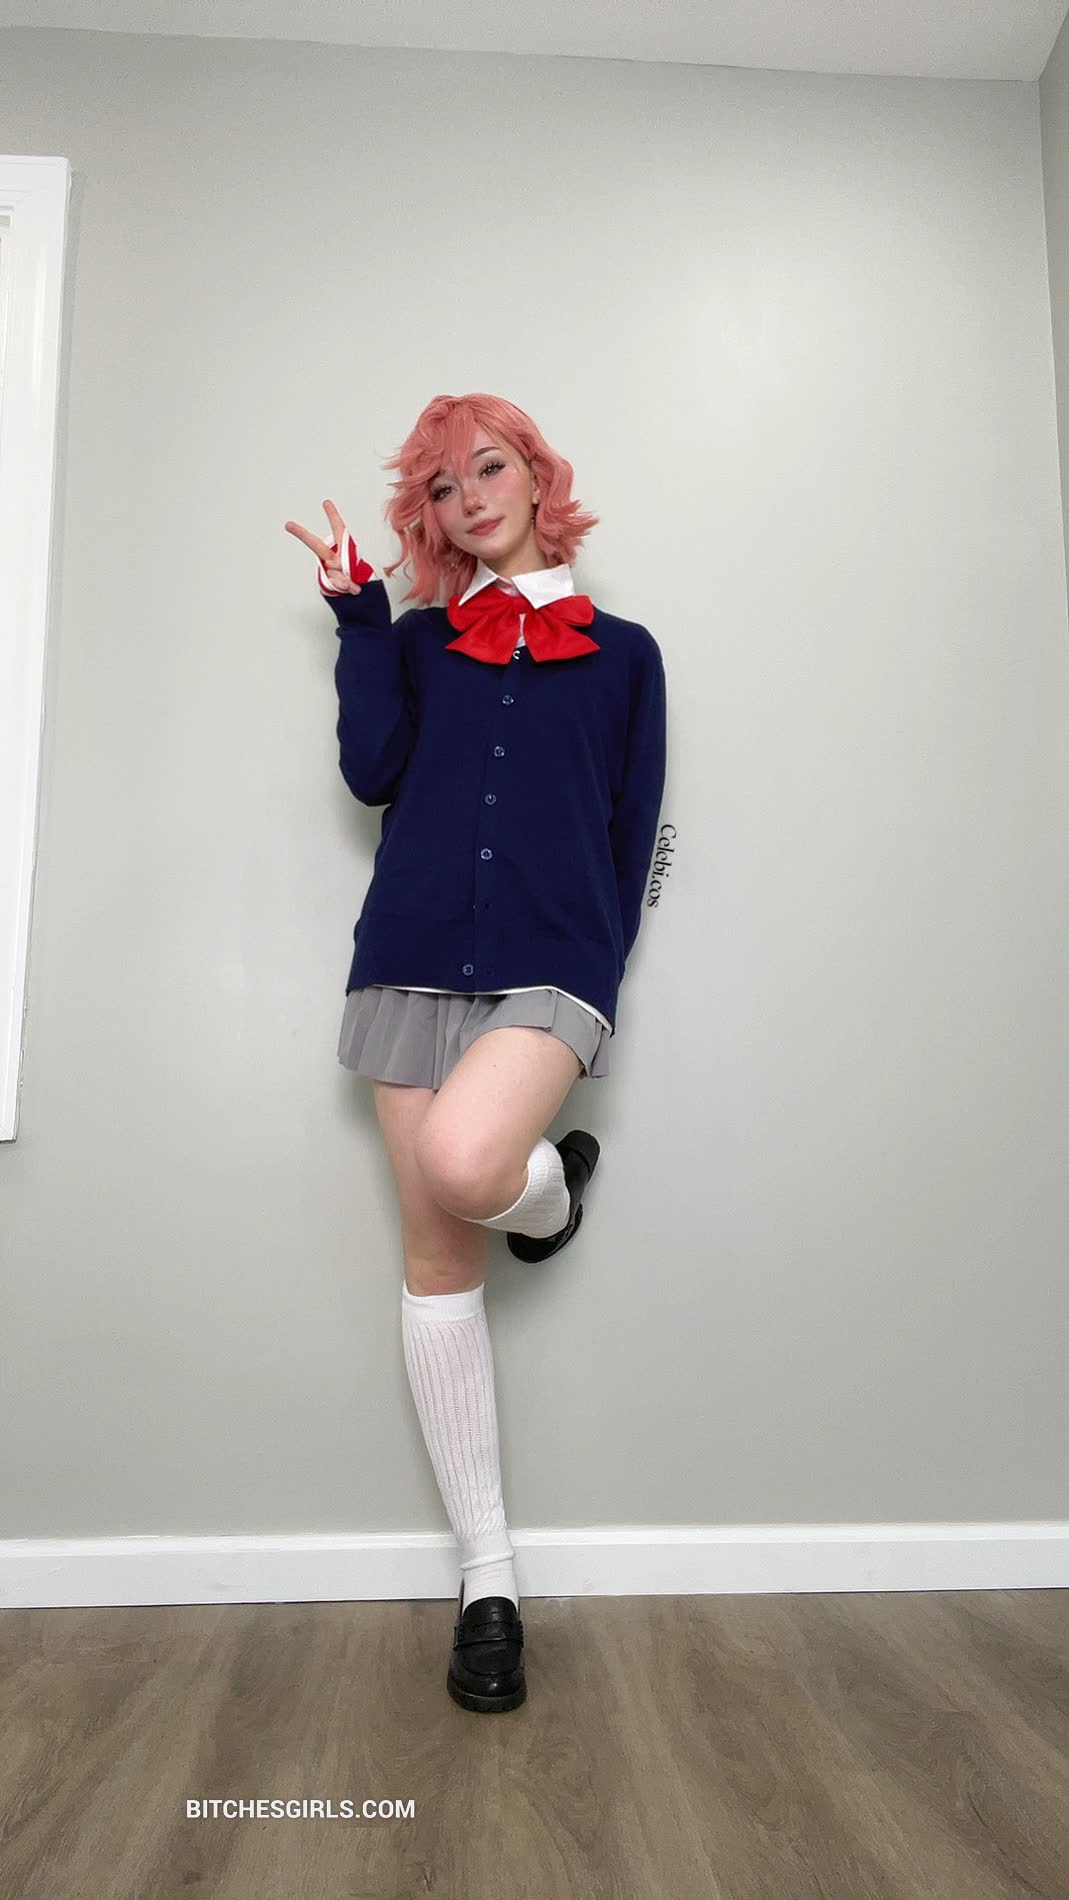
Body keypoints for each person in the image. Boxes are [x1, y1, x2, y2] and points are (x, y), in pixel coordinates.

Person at [284, 392, 667, 1714]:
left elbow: (636, 830)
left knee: (468, 1162)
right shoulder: (418, 644)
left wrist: (601, 979)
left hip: (551, 965)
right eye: (443, 489)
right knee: (440, 1261)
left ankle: (548, 1192)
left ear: (537, 476)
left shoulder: (624, 656)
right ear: (430, 519)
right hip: (406, 957)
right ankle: (486, 1583)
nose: (471, 499)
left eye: (489, 468)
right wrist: (356, 622)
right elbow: (370, 771)